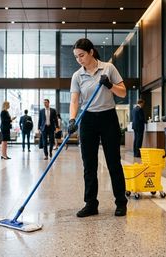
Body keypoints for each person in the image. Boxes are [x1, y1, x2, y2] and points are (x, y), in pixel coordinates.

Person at [68, 38, 128, 218]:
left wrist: (109, 85)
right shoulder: (77, 76)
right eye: (76, 57)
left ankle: (121, 203)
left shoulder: (108, 68)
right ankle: (91, 204)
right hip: (87, 120)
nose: (79, 59)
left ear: (91, 52)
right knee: (89, 164)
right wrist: (72, 119)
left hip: (108, 117)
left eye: (82, 55)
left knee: (113, 162)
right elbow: (74, 100)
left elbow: (123, 93)